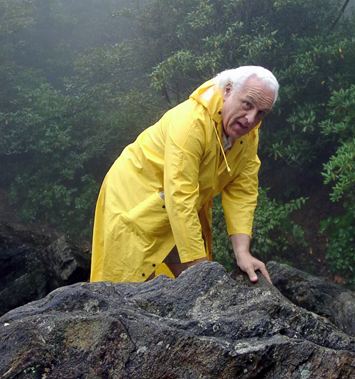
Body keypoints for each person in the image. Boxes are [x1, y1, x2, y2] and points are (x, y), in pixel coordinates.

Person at [90, 65, 279, 284]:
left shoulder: (248, 137)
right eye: (247, 104)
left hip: (177, 202)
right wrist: (200, 268)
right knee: (130, 282)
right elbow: (180, 194)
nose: (250, 119)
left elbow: (242, 192)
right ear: (227, 91)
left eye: (260, 113)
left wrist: (242, 253)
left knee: (190, 284)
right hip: (133, 192)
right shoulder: (191, 122)